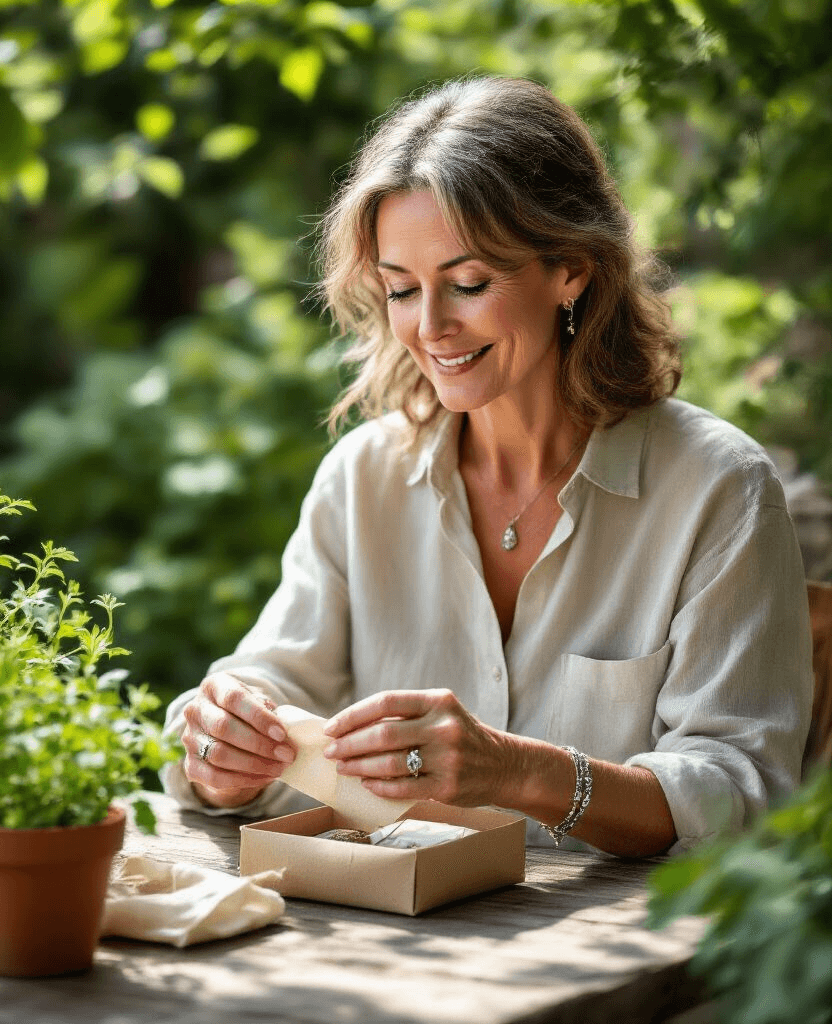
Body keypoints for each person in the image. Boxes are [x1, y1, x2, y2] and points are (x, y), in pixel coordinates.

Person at [160, 76, 813, 857]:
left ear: (570, 267)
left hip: (623, 958)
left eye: (468, 284)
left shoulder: (719, 490)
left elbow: (740, 790)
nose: (430, 327)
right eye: (401, 289)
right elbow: (265, 689)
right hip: (393, 937)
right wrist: (220, 751)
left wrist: (514, 771)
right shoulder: (363, 479)